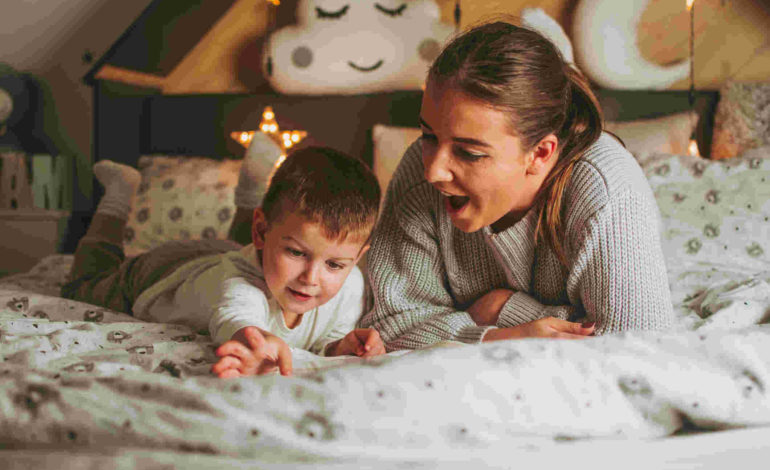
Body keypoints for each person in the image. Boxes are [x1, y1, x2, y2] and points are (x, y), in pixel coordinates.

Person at [360, 21, 674, 351]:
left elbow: (639, 350)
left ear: (540, 153)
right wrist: (500, 332)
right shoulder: (418, 172)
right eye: (428, 136)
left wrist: (501, 309)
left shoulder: (606, 186)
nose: (434, 171)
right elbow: (387, 325)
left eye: (469, 153)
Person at [62, 138, 385, 376]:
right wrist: (256, 347)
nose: (312, 278)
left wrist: (341, 346)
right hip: (163, 272)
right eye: (297, 252)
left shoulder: (351, 285)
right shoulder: (237, 285)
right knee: (84, 285)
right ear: (260, 231)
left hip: (231, 252)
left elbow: (326, 337)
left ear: (356, 258)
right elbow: (236, 317)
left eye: (334, 265)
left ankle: (251, 189)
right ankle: (119, 193)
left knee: (240, 246)